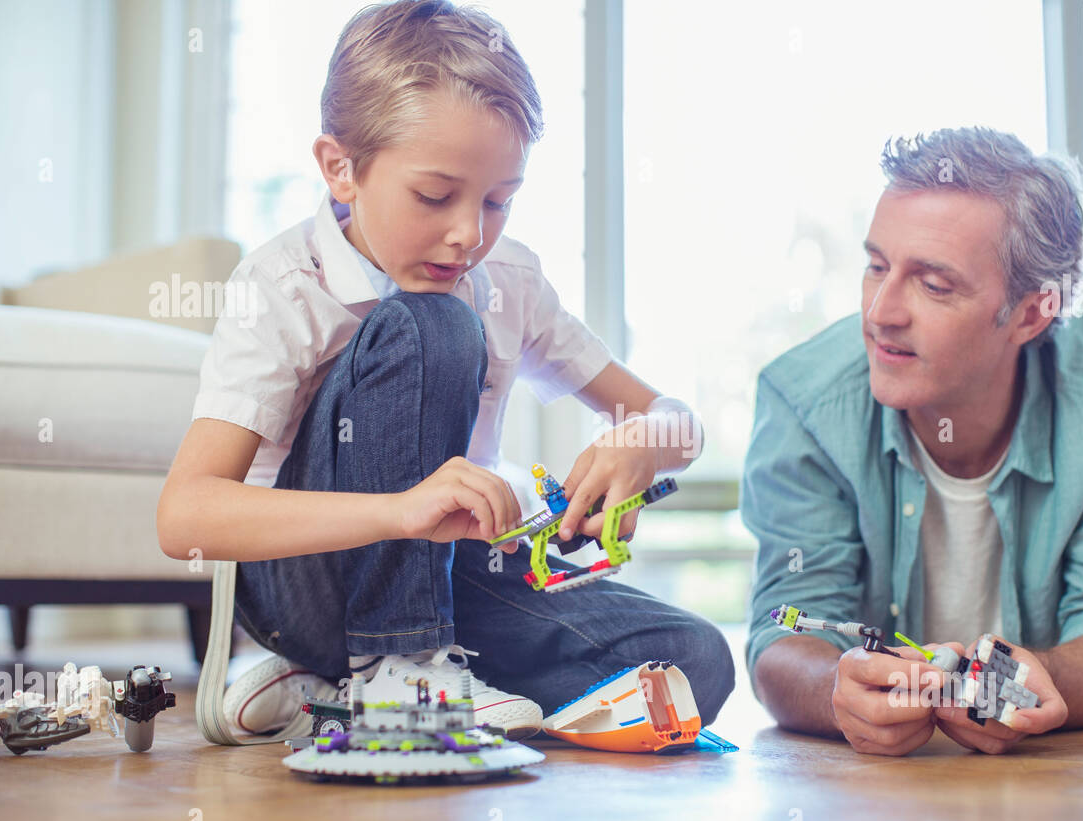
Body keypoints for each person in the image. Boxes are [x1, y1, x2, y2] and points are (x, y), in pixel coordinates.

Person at [157, 0, 733, 739]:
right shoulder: (281, 285)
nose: (469, 234)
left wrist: (643, 439)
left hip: (451, 578)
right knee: (433, 323)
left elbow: (678, 421)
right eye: (434, 196)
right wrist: (400, 513)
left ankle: (338, 694)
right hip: (302, 585)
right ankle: (400, 666)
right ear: (340, 169)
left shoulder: (512, 281)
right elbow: (186, 516)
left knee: (692, 663)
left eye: (500, 201)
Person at [740, 127, 1083, 756]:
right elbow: (785, 626)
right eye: (876, 267)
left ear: (1032, 312)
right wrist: (835, 692)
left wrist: (1039, 682)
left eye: (934, 284)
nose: (881, 313)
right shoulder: (803, 398)